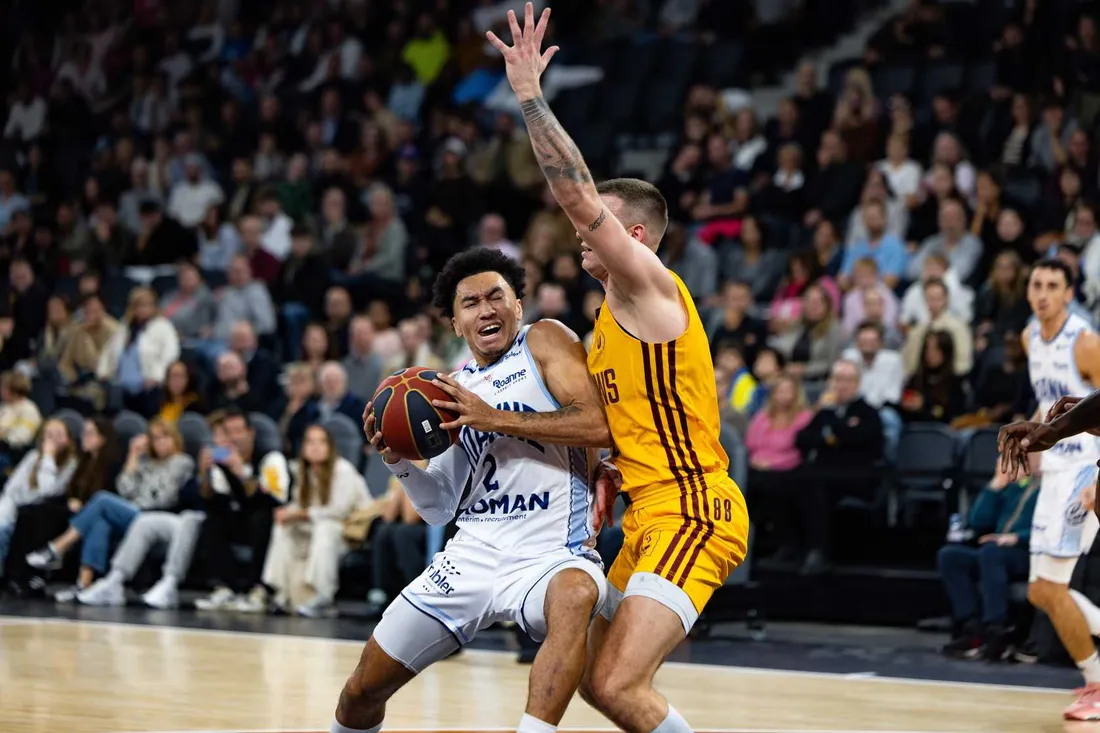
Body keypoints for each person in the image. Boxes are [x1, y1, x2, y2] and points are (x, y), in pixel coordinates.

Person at [485, 8, 748, 732]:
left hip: (694, 506)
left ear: (631, 236)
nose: (578, 226)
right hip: (648, 512)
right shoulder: (606, 323)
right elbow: (627, 418)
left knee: (620, 681)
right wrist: (607, 468)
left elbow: (572, 188)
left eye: (595, 219)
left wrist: (532, 98)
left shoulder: (649, 285)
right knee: (603, 685)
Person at [332, 245, 610, 733]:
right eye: (471, 303)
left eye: (496, 296)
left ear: (517, 306)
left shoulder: (543, 341)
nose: (487, 309)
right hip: (472, 556)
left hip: (549, 553)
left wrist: (491, 418)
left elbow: (597, 424)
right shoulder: (446, 392)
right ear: (455, 324)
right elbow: (439, 507)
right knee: (360, 692)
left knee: (576, 592)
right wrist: (397, 460)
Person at [995, 258, 1100, 721]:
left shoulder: (1087, 342)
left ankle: (1096, 682)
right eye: (1036, 284)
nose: (1041, 293)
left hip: (1082, 471)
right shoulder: (1029, 336)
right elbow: (1048, 405)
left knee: (1053, 589)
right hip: (1053, 470)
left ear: (1068, 293)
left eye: (1052, 286)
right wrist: (1028, 450)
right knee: (1040, 592)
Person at [26, 418, 192, 600]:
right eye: (155, 438)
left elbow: (164, 498)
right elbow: (124, 489)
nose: (159, 442)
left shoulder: (181, 462)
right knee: (100, 520)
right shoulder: (146, 462)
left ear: (175, 439)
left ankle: (57, 548)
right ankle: (84, 585)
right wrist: (133, 455)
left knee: (102, 500)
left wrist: (136, 499)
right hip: (135, 513)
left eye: (164, 437)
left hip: (155, 517)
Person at [258, 425, 368, 617]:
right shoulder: (302, 471)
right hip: (314, 529)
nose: (315, 447)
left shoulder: (343, 470)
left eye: (321, 442)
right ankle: (277, 591)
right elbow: (296, 503)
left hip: (346, 532)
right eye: (310, 441)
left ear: (330, 446)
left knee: (326, 528)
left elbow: (338, 512)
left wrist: (300, 514)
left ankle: (323, 596)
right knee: (283, 527)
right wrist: (286, 513)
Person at [938, 453, 1037, 662]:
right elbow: (977, 521)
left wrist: (1015, 538)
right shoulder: (1010, 489)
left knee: (990, 552)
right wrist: (995, 486)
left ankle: (996, 628)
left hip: (1030, 553)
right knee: (951, 556)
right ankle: (972, 626)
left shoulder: (1048, 489)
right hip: (997, 552)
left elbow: (1052, 530)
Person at [0, 420, 77, 586]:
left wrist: (49, 456)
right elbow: (12, 488)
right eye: (48, 435)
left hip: (37, 512)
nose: (52, 440)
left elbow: (47, 491)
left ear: (68, 439)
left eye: (58, 435)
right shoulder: (33, 456)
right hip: (13, 505)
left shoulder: (70, 463)